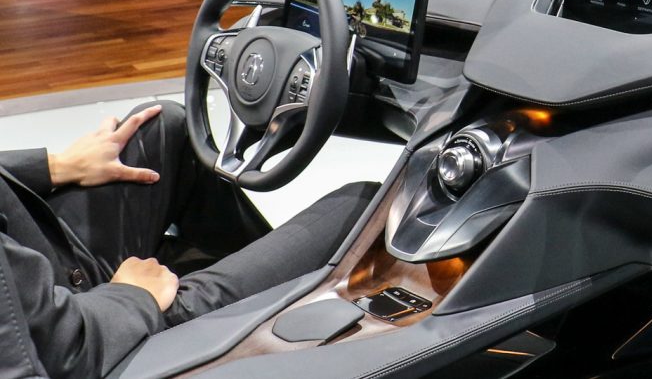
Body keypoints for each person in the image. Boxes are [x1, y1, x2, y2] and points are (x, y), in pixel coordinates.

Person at [0, 100, 379, 378]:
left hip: (37, 265)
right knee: (359, 206)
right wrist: (132, 296)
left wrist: (54, 165)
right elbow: (57, 352)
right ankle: (252, 315)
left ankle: (258, 304)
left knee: (168, 127)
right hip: (84, 329)